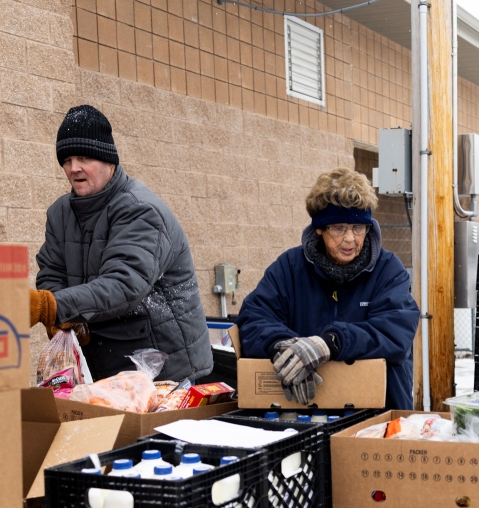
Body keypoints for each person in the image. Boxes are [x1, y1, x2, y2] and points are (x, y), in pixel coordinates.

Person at [31, 105, 211, 382]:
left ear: (109, 161)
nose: (73, 168)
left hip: (164, 369)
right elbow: (52, 273)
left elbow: (125, 285)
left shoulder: (140, 209)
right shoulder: (60, 213)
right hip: (105, 366)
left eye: (83, 158)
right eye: (66, 160)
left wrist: (52, 306)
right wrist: (64, 314)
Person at [236, 167, 419, 408]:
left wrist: (330, 343)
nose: (350, 239)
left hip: (379, 411)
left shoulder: (388, 269)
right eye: (339, 228)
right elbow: (253, 318)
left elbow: (395, 332)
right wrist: (283, 345)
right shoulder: (290, 268)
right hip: (305, 413)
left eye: (358, 228)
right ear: (320, 228)